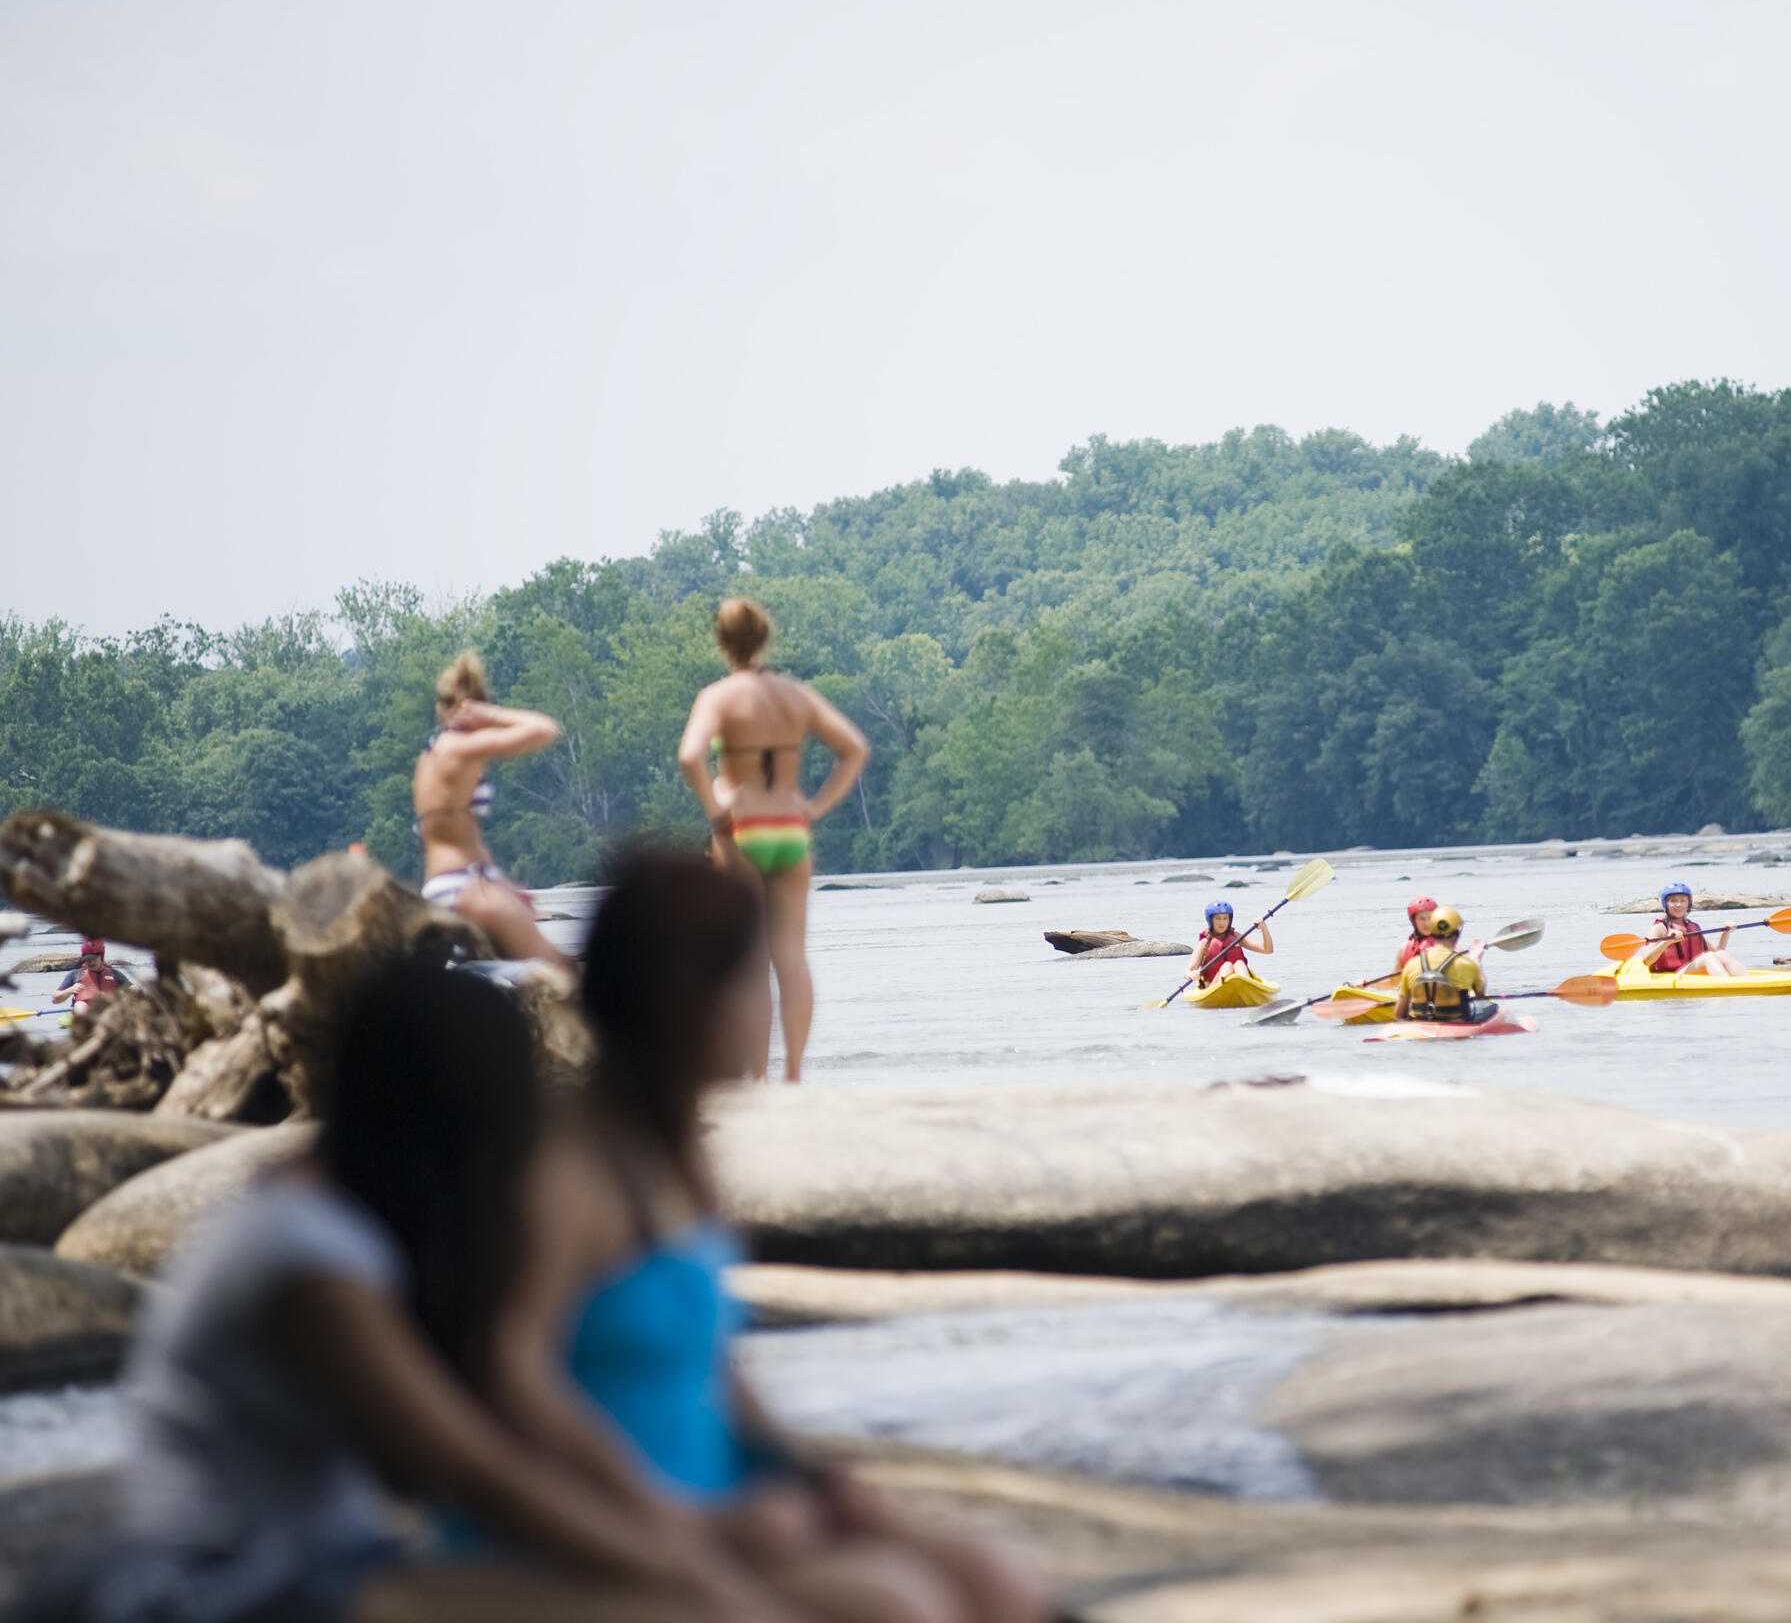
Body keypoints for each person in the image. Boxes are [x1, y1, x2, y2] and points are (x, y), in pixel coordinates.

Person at [16, 960, 795, 1623]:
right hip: (233, 1578)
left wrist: (692, 1533)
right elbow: (473, 1468)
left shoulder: (333, 1218)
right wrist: (680, 1554)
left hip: (321, 1561)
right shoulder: (305, 1260)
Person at [485, 848, 1047, 1623]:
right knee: (895, 1604)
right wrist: (674, 1522)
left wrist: (813, 1475)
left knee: (992, 1572)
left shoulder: (679, 1159)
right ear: (691, 997)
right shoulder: (570, 1176)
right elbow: (508, 1376)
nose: (766, 1009)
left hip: (713, 1511)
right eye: (754, 980)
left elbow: (708, 1363)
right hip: (603, 1529)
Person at [677, 598, 872, 1084]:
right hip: (789, 827)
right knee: (791, 954)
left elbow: (689, 755)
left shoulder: (718, 697)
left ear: (721, 642)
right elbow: (855, 750)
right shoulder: (796, 694)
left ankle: (757, 1074)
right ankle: (794, 1072)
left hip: (741, 830)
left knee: (749, 959)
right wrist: (814, 807)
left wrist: (714, 808)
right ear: (765, 636)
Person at [412, 651, 571, 969]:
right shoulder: (458, 747)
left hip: (452, 883)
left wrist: (505, 887)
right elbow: (545, 729)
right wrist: (492, 715)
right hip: (463, 885)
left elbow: (460, 838)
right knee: (561, 969)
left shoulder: (430, 756)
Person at [1394, 906, 1489, 1023]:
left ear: (1432, 932)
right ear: (1457, 932)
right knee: (1490, 1007)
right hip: (1457, 1025)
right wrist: (1476, 959)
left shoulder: (1412, 965)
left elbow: (1399, 1014)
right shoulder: (1466, 964)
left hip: (1420, 1024)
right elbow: (1480, 995)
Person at [1639, 882, 1749, 978]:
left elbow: (1716, 952)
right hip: (1670, 976)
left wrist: (1725, 933)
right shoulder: (1659, 928)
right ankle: (1729, 987)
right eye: (1673, 901)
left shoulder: (1692, 926)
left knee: (1721, 954)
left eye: (1683, 901)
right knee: (1708, 957)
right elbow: (1647, 961)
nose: (1678, 904)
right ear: (1666, 904)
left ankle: (1748, 982)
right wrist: (1667, 941)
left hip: (1689, 971)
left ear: (1689, 904)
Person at [1189, 900, 1270, 986]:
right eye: (1217, 918)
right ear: (1211, 920)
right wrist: (1192, 974)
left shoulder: (1237, 937)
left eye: (1225, 918)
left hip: (1240, 982)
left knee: (1239, 964)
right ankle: (1225, 987)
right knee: (1227, 966)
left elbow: (1267, 949)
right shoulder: (1204, 943)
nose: (1222, 922)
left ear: (1229, 920)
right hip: (1214, 985)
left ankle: (1246, 986)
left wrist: (1264, 928)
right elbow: (1189, 970)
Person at [49, 938, 125, 1016]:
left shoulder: (115, 974)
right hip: (85, 1013)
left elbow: (133, 989)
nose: (91, 962)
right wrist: (69, 991)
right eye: (88, 959)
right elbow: (54, 1000)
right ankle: (83, 1021)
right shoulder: (75, 975)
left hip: (110, 1012)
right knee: (80, 1005)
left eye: (94, 959)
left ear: (101, 957)